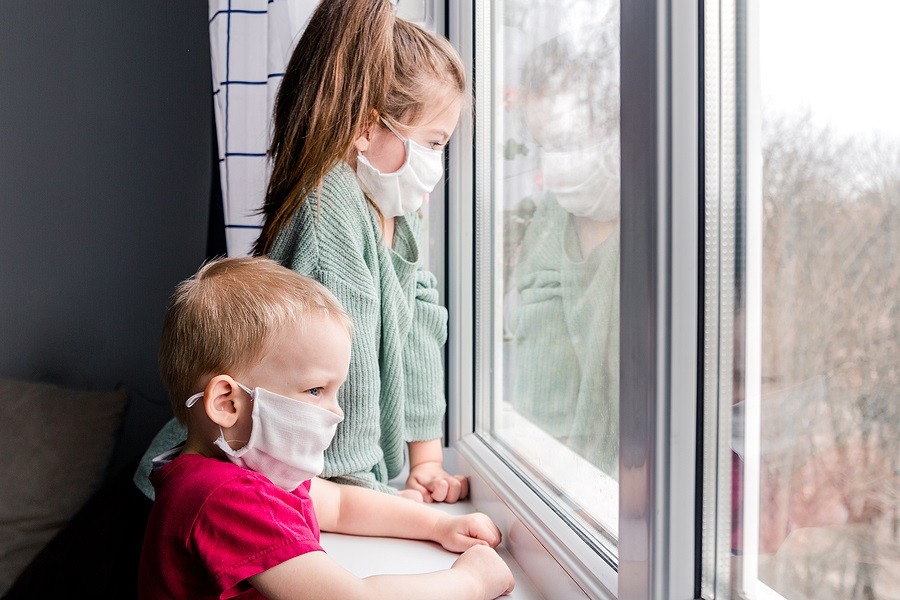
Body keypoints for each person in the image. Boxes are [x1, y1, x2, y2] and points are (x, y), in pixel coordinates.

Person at [135, 0, 469, 504]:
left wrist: (426, 460)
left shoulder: (396, 215)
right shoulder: (328, 211)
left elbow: (422, 322)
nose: (435, 164)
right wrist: (365, 494)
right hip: (217, 487)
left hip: (304, 483)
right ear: (365, 127)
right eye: (433, 143)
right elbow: (337, 375)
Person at [138, 256, 515, 600]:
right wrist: (472, 582)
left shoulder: (249, 468)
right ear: (227, 403)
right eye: (316, 390)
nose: (336, 411)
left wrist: (440, 527)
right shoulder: (223, 496)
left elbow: (341, 505)